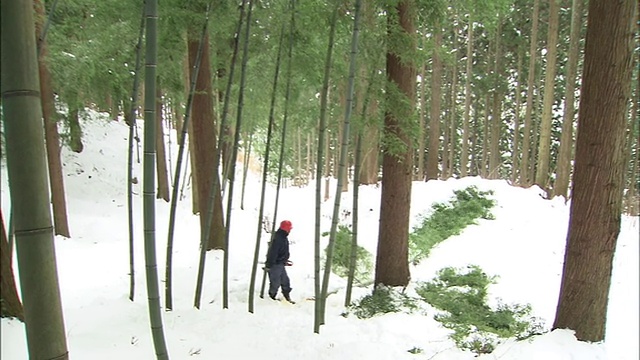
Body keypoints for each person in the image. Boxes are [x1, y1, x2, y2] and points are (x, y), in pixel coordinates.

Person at [265, 220, 294, 303]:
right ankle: (271, 298)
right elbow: (273, 252)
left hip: (280, 263)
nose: (290, 230)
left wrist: (285, 259)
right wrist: (269, 264)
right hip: (275, 264)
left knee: (285, 281)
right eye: (289, 229)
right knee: (275, 282)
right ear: (286, 229)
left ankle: (286, 297)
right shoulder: (278, 238)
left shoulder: (283, 237)